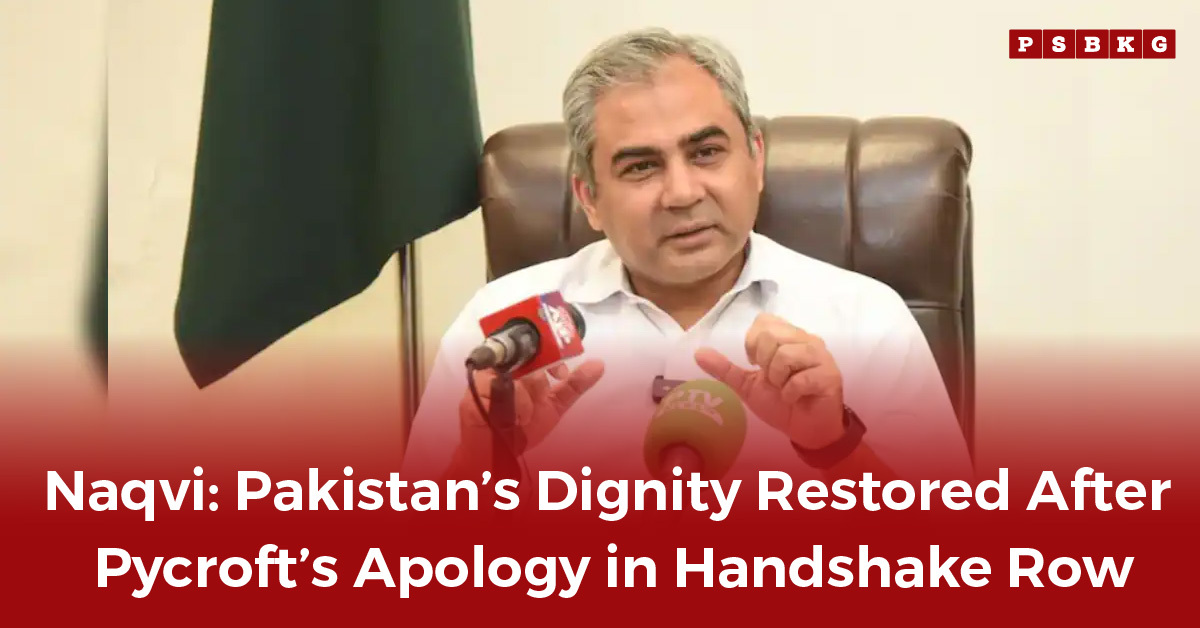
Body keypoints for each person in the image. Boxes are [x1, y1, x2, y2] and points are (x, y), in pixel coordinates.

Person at [401, 27, 973, 483]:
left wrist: (834, 445)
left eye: (706, 152)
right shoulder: (505, 330)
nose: (682, 193)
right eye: (641, 166)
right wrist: (480, 472)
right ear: (589, 199)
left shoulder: (865, 318)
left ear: (755, 160)